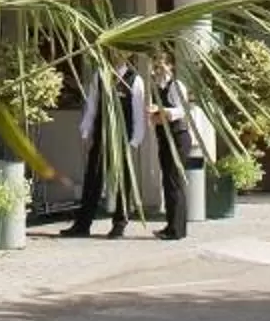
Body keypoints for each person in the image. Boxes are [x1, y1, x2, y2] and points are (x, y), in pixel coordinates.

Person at [63, 63, 146, 237]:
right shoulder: (100, 75)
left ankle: (120, 223)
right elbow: (92, 105)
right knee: (92, 178)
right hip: (101, 135)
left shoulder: (134, 79)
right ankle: (83, 224)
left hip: (123, 138)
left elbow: (139, 114)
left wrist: (135, 141)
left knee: (123, 182)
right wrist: (85, 131)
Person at [150, 52, 199, 240]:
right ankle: (171, 225)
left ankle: (177, 230)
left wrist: (161, 110)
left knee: (174, 181)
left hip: (178, 137)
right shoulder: (158, 86)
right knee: (168, 182)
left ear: (171, 65)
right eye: (156, 64)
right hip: (164, 137)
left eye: (162, 64)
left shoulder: (176, 85)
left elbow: (182, 110)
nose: (158, 68)